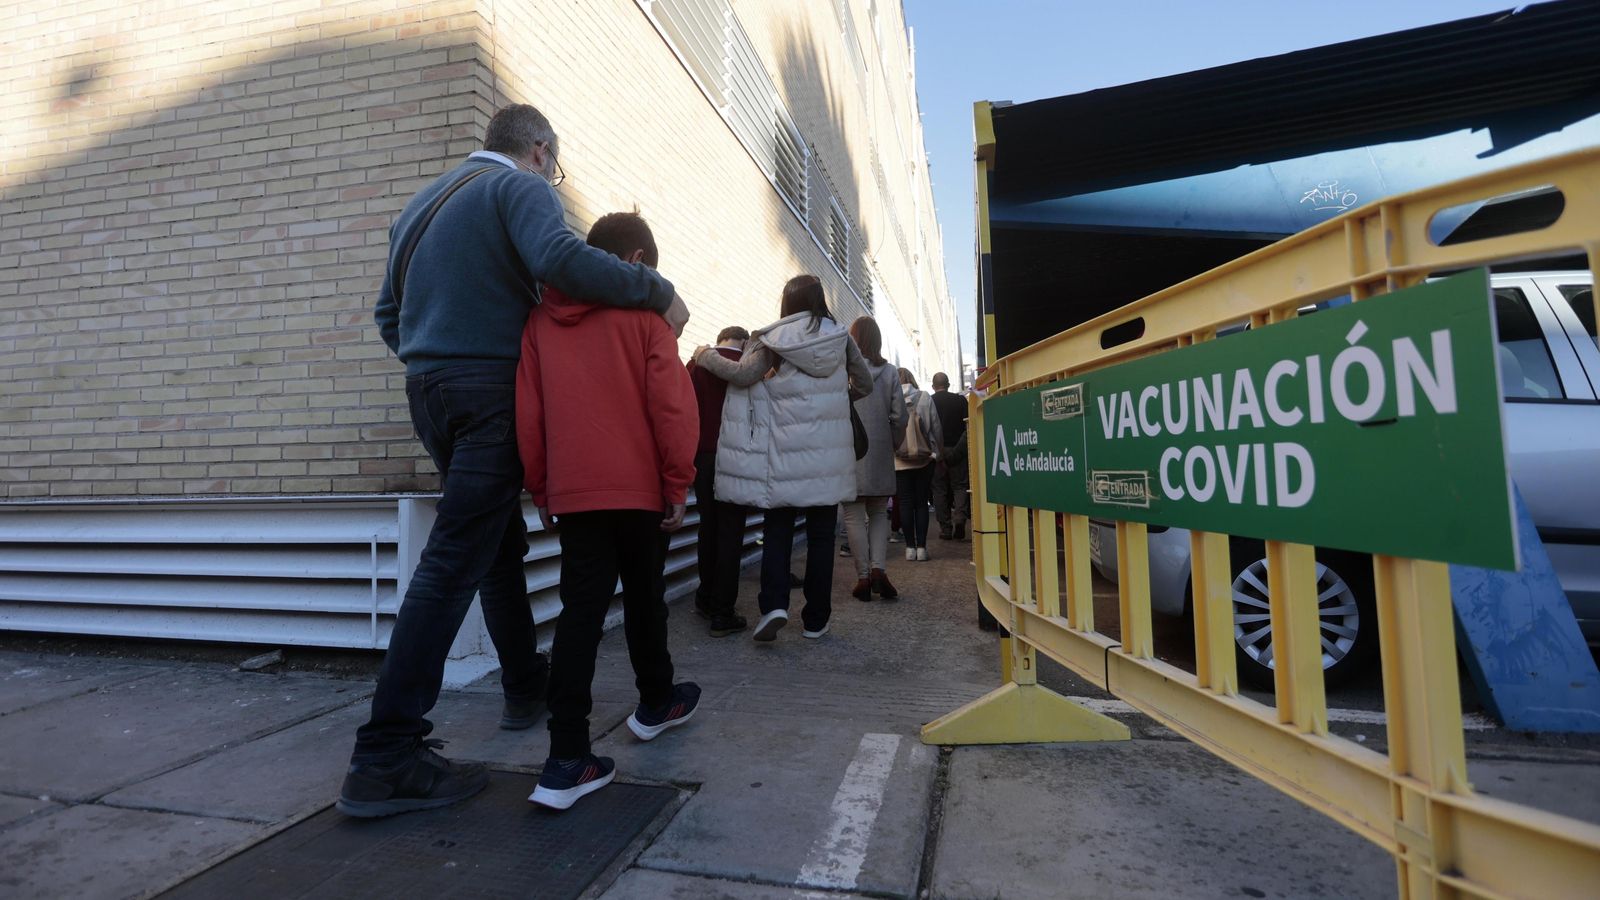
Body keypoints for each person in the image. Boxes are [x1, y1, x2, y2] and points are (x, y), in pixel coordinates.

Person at [340, 104, 688, 819]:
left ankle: (526, 683)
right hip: (486, 390)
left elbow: (386, 316)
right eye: (553, 166)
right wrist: (657, 292)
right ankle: (386, 753)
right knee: (453, 560)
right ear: (538, 150)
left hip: (429, 391)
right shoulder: (520, 188)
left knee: (494, 545)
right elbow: (560, 260)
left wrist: (433, 360)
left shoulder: (421, 205)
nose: (552, 178)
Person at [515, 211, 701, 811]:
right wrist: (678, 482)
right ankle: (656, 701)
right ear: (638, 262)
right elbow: (672, 408)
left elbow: (530, 415)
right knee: (646, 596)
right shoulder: (646, 319)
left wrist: (543, 489)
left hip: (575, 490)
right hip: (638, 489)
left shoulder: (541, 321)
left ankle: (566, 756)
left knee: (580, 614)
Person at [691, 275, 872, 642]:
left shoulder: (771, 338)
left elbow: (741, 375)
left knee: (778, 531)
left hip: (783, 457)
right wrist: (834, 399)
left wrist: (704, 355)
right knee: (822, 537)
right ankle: (816, 620)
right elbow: (864, 384)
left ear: (786, 303)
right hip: (828, 459)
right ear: (820, 300)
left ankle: (774, 605)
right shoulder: (840, 336)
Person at [688, 325, 752, 636]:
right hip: (736, 456)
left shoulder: (695, 366)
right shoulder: (750, 367)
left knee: (708, 527)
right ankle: (722, 612)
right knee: (730, 533)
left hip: (702, 456)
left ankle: (705, 597)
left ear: (720, 339)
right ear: (744, 341)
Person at [841, 317, 905, 601]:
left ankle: (863, 576)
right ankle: (879, 570)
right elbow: (900, 415)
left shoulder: (843, 370)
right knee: (879, 511)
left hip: (848, 447)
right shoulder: (890, 372)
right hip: (879, 448)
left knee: (853, 514)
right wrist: (893, 440)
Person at [894, 368, 943, 561]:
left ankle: (909, 548)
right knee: (921, 503)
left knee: (905, 503)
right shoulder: (925, 398)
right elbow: (936, 427)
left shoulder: (892, 399)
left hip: (899, 460)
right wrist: (938, 453)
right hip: (924, 458)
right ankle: (922, 548)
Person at [929, 372, 970, 541]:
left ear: (933, 386)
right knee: (960, 486)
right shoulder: (960, 401)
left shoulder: (928, 401)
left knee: (939, 490)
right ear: (949, 384)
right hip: (958, 450)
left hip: (936, 451)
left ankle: (945, 528)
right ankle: (960, 519)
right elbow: (969, 424)